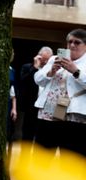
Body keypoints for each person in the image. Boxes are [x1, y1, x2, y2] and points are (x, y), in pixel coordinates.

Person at [33, 29, 86, 157]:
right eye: (70, 42)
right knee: (42, 156)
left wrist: (76, 71)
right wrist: (50, 72)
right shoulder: (53, 59)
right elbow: (38, 79)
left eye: (77, 42)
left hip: (74, 116)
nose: (72, 45)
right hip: (48, 113)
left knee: (71, 158)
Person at [19, 46, 52, 142]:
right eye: (44, 59)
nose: (46, 62)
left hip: (46, 108)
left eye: (48, 60)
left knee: (42, 137)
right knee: (27, 135)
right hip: (31, 107)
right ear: (38, 56)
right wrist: (34, 67)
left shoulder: (52, 70)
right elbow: (23, 81)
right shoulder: (27, 67)